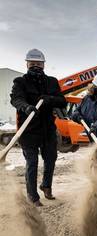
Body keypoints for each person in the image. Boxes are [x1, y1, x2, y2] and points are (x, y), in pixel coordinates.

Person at [10, 49, 67, 207]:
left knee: (50, 159)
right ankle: (33, 196)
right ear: (27, 64)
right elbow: (16, 99)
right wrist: (26, 107)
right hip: (28, 129)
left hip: (48, 128)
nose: (36, 66)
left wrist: (49, 99)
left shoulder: (52, 82)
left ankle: (46, 185)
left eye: (39, 64)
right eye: (32, 63)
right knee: (32, 162)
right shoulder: (20, 82)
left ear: (43, 64)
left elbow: (62, 101)